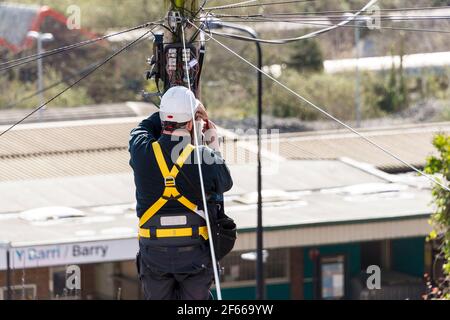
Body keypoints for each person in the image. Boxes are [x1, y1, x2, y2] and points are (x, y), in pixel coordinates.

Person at [129, 86, 233, 300]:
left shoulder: (142, 151)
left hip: (154, 252)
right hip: (193, 253)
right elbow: (225, 183)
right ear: (190, 123)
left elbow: (142, 128)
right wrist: (212, 140)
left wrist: (167, 112)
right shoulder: (203, 157)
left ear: (163, 120)